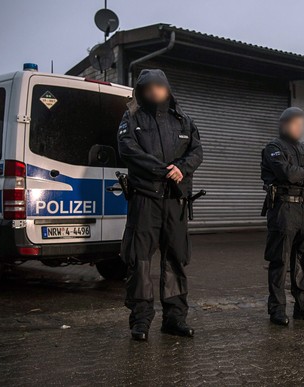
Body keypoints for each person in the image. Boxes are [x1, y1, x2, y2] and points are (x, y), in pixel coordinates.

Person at [117, 69, 203, 341]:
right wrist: (163, 170)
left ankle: (174, 319)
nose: (155, 91)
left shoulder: (184, 120)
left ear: (167, 88)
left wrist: (181, 168)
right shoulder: (132, 118)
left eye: (159, 86)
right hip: (145, 199)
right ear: (141, 90)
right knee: (140, 260)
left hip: (175, 201)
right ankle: (140, 321)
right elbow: (128, 149)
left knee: (176, 259)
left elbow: (197, 151)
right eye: (149, 87)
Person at [260, 107, 304, 326]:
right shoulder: (273, 147)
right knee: (279, 259)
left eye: (301, 123)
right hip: (283, 209)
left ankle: (303, 306)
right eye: (294, 123)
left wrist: (301, 174)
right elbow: (286, 173)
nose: (298, 127)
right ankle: (277, 309)